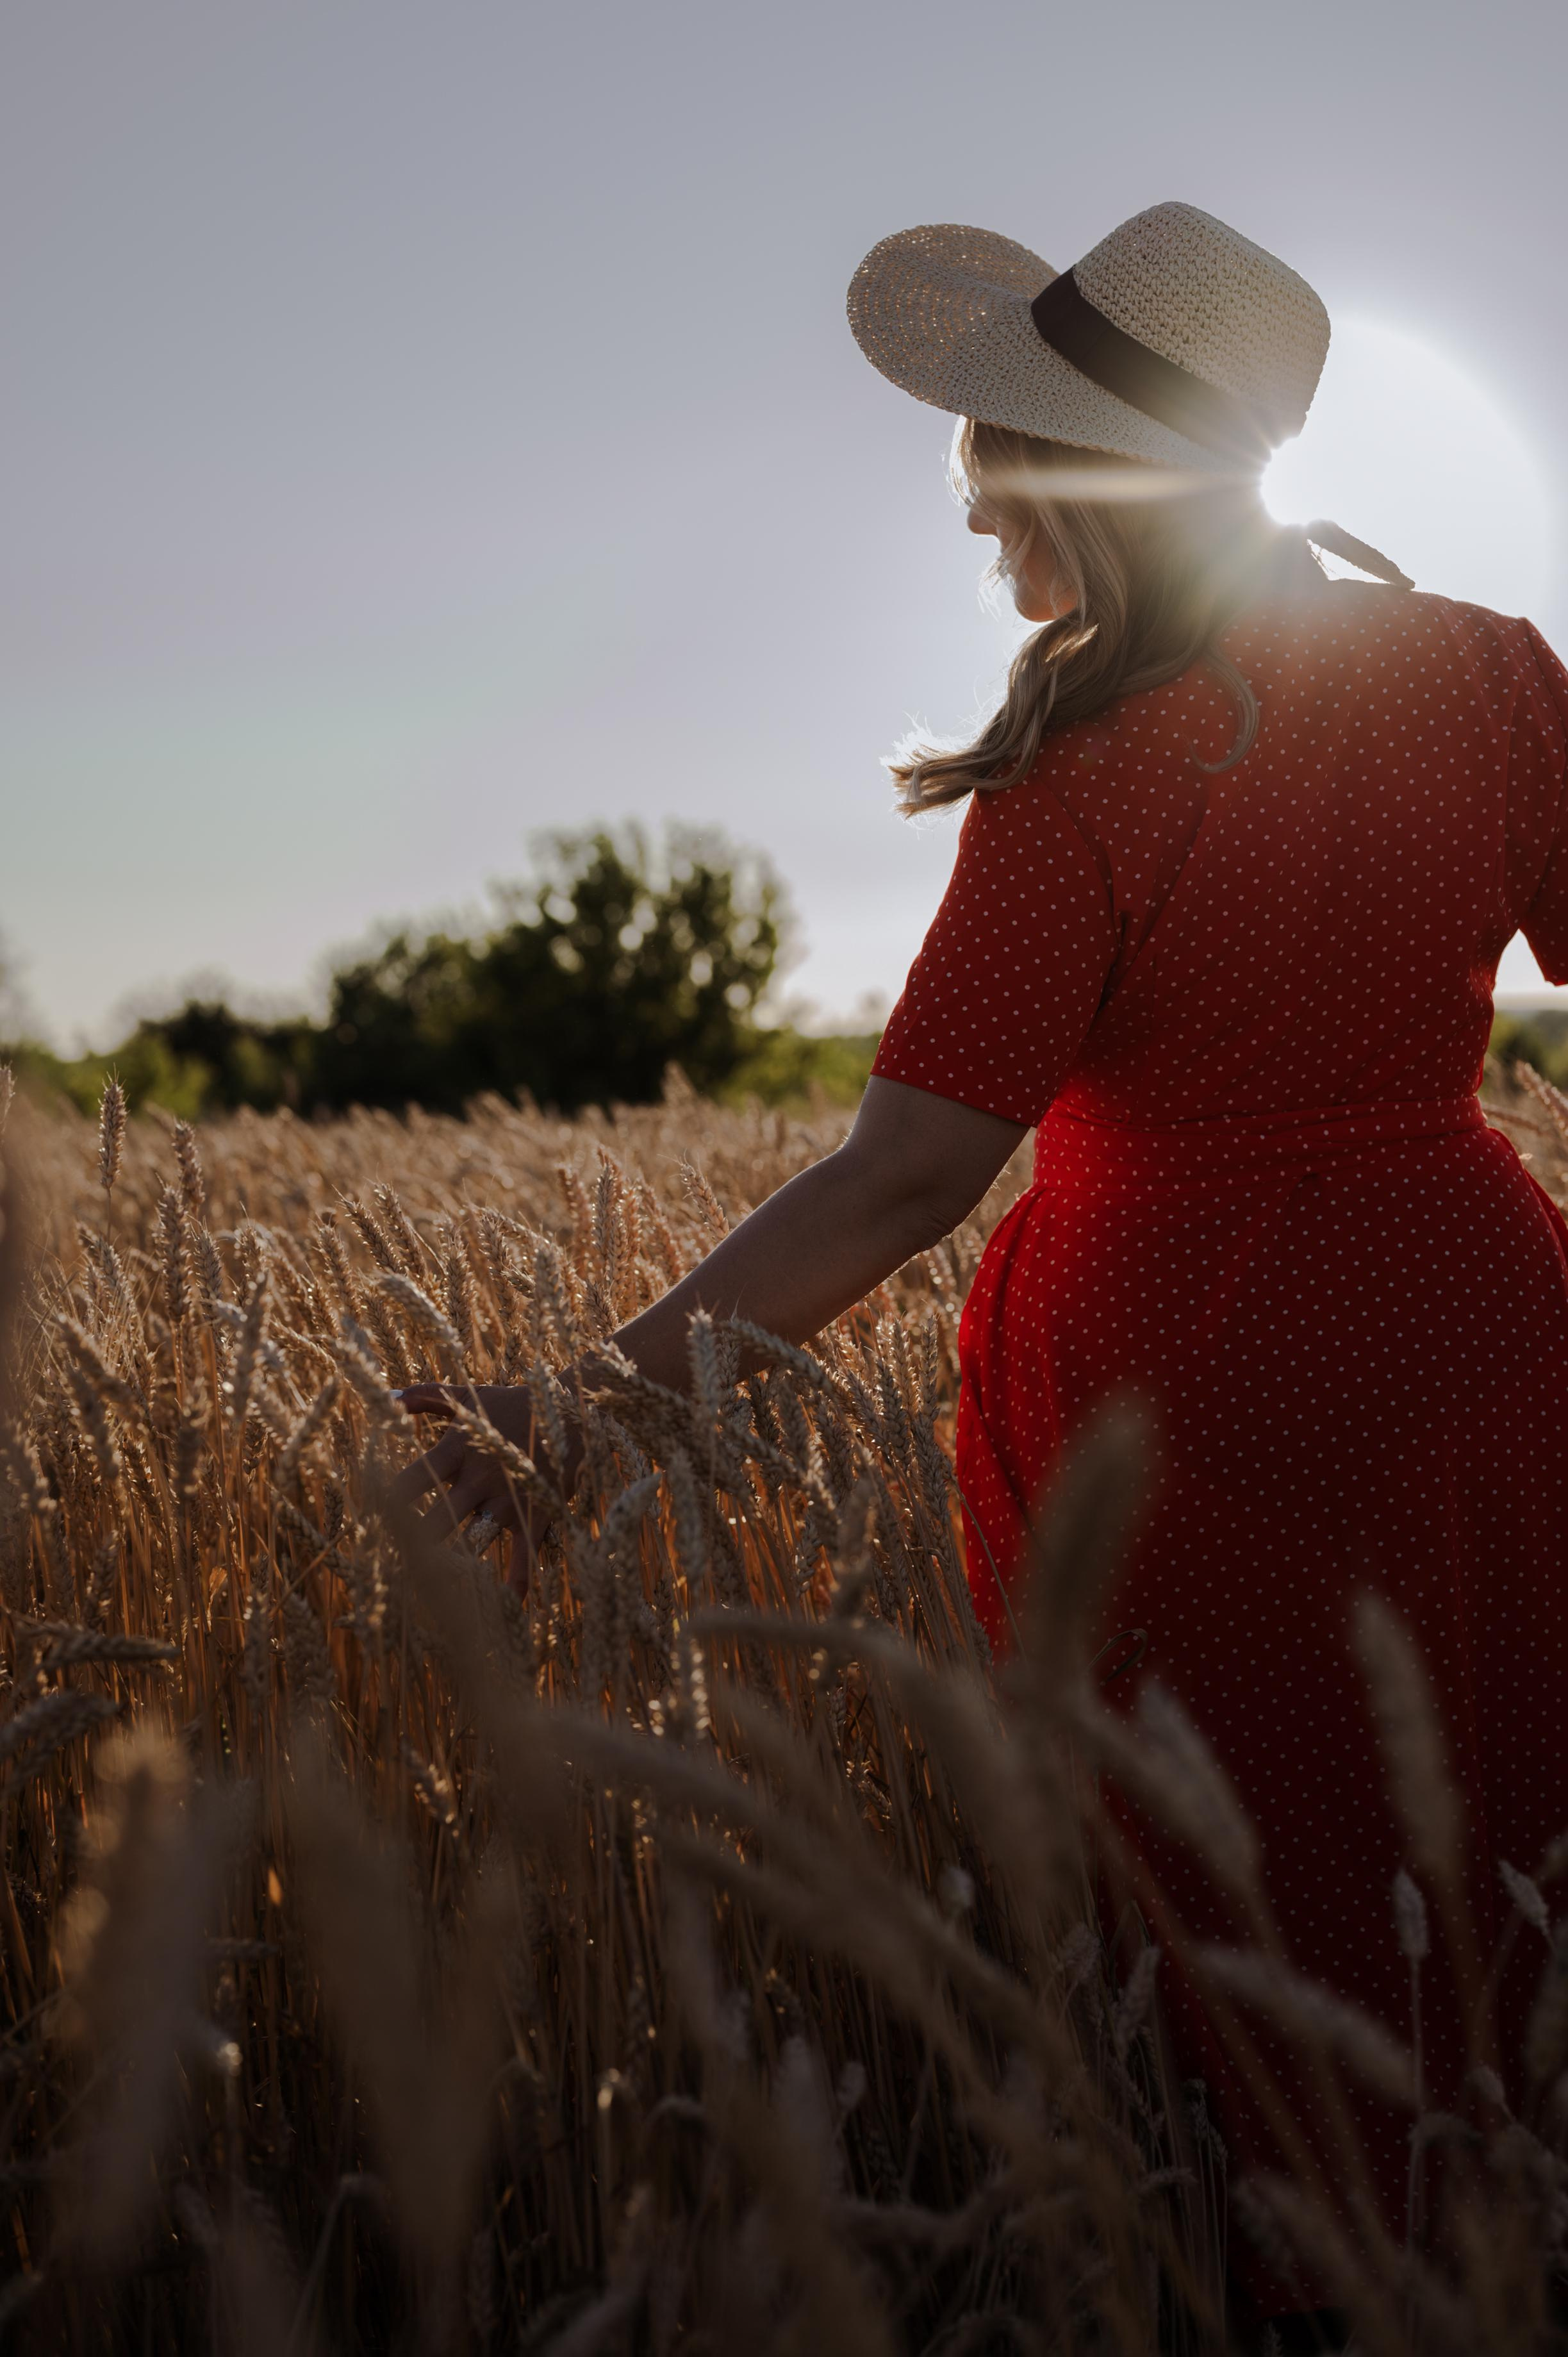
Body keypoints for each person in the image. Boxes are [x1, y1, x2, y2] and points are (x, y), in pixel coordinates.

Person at [394, 203, 1568, 2338]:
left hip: (1193, 1398)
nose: (969, 508)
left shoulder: (1087, 772)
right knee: (1503, 1882)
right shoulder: (1495, 674)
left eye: (994, 455)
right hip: (1488, 1332)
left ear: (1084, 474)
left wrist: (588, 1406)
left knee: (1279, 1945)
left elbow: (907, 1177)